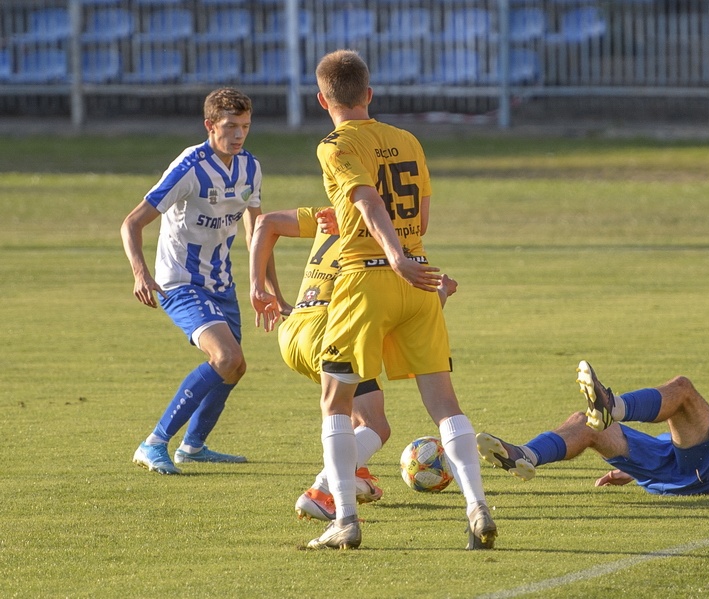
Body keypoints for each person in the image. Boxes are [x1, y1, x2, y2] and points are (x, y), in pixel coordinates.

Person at [298, 49, 495, 550]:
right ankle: (477, 505)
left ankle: (344, 517)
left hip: (368, 280)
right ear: (369, 94)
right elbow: (420, 221)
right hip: (421, 281)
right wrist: (409, 256)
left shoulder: (334, 144)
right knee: (445, 403)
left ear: (323, 100)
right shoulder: (407, 139)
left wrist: (393, 256)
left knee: (335, 401)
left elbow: (366, 199)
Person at [248, 205, 458, 521]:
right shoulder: (386, 240)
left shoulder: (331, 213)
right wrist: (440, 294)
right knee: (375, 425)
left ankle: (355, 478)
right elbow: (403, 312)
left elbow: (265, 222)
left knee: (359, 418)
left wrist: (256, 286)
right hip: (332, 331)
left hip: (293, 330)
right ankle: (322, 490)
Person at [121, 87, 277, 475]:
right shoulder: (190, 166)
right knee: (226, 357)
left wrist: (266, 287)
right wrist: (141, 273)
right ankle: (153, 442)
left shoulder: (249, 168)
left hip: (221, 283)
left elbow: (257, 231)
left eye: (245, 126)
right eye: (230, 126)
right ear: (210, 125)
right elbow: (132, 222)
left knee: (235, 367)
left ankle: (192, 446)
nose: (238, 135)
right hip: (179, 281)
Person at [478, 332, 709, 496]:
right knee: (585, 423)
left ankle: (612, 406)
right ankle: (524, 455)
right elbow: (687, 441)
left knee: (683, 390)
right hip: (675, 463)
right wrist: (632, 469)